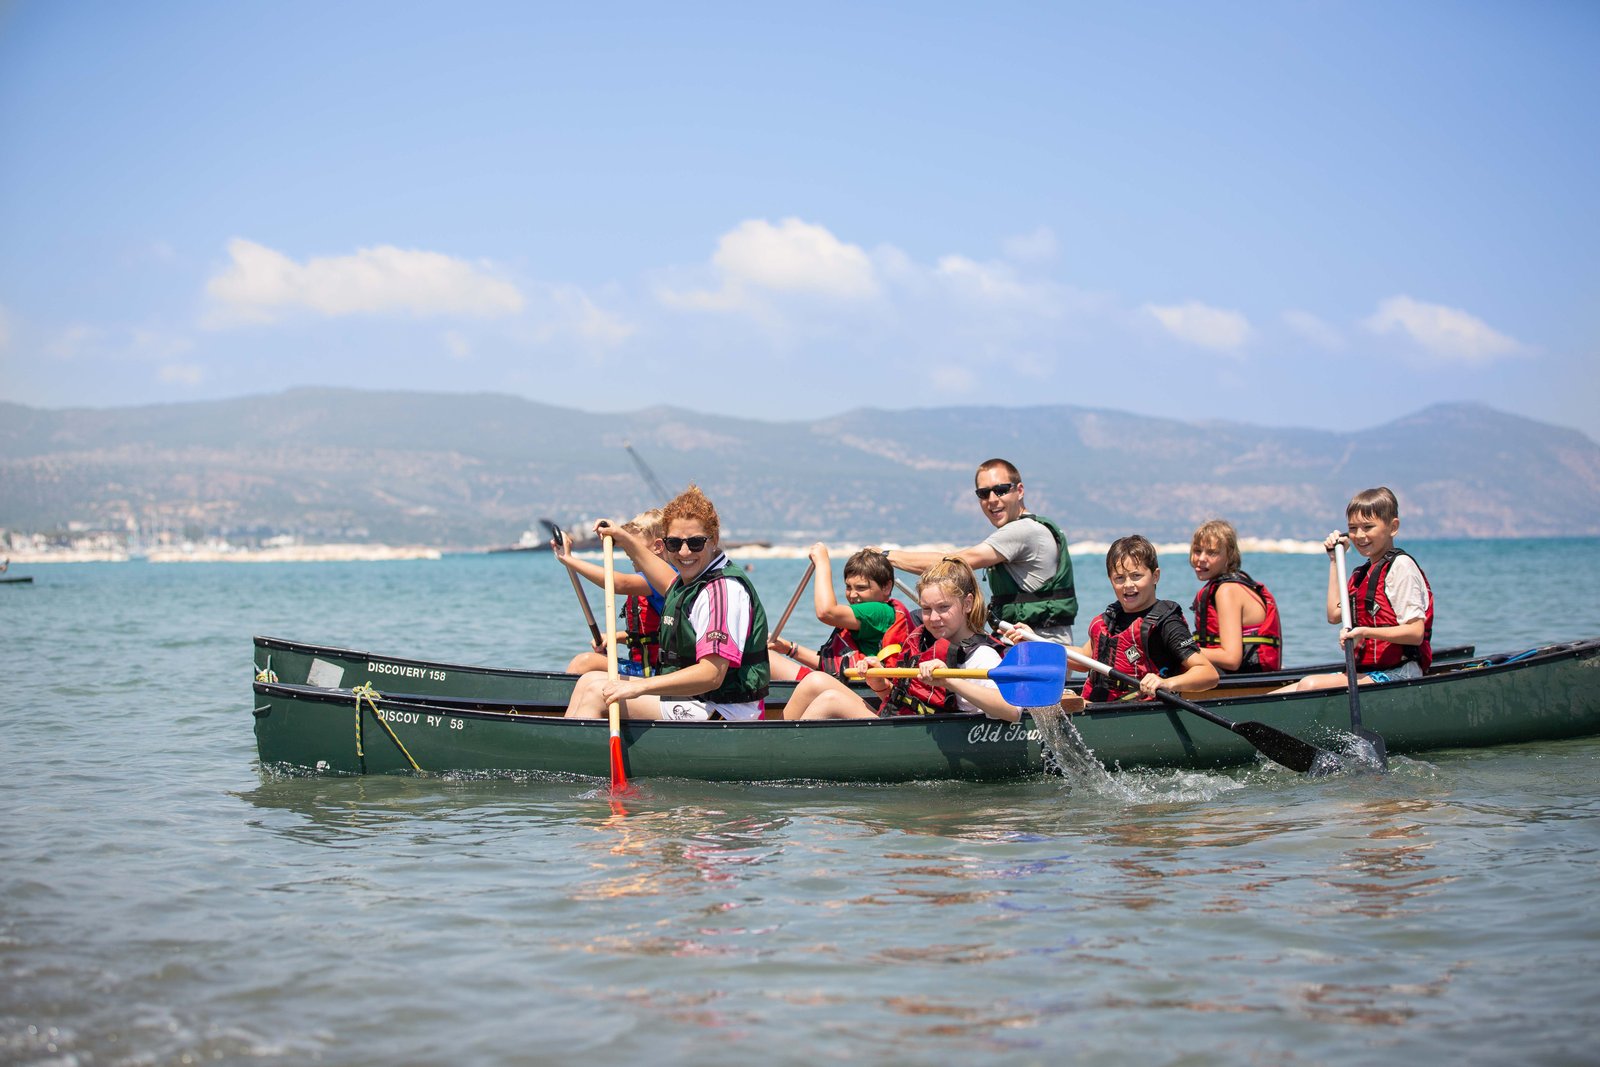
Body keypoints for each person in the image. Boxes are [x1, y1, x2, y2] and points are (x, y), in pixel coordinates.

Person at [563, 486, 770, 721]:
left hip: (724, 711)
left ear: (714, 540)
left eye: (695, 543)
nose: (684, 552)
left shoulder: (721, 591)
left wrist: (639, 687)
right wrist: (621, 535)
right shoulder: (691, 581)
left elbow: (712, 674)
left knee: (595, 694)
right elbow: (660, 573)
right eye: (674, 544)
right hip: (694, 699)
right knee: (589, 680)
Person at [782, 557, 1024, 722]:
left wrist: (949, 680)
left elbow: (1012, 711)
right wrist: (879, 683)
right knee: (815, 681)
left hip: (923, 735)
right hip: (901, 721)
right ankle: (774, 750)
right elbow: (904, 700)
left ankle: (784, 761)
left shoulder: (981, 655)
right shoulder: (924, 641)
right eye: (926, 609)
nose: (934, 618)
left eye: (943, 607)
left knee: (831, 700)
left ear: (967, 603)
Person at [882, 458, 1077, 642]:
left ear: (1019, 491)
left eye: (1001, 490)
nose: (992, 499)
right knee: (922, 619)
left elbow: (952, 563)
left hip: (1037, 647)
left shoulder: (1023, 531)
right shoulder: (1029, 528)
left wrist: (885, 556)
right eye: (983, 493)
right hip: (1015, 641)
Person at [1012, 535, 1217, 703]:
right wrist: (1034, 643)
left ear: (1155, 576)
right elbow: (1084, 659)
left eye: (1136, 576)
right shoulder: (1110, 619)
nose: (1128, 585)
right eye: (1119, 578)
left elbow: (1208, 674)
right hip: (1102, 705)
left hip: (1144, 709)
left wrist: (1166, 683)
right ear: (1111, 580)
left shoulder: (1167, 623)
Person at [1278, 487, 1433, 692]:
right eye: (1353, 528)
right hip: (1366, 672)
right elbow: (1334, 615)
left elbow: (1415, 632)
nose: (1359, 535)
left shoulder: (1401, 566)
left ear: (1393, 527)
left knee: (1309, 685)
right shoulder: (1362, 574)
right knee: (1282, 692)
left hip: (1399, 673)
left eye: (1368, 527)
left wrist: (1365, 632)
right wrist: (1335, 560)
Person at [767, 544, 914, 683]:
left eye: (861, 588)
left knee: (764, 657)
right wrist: (789, 648)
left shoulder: (881, 612)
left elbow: (826, 612)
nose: (852, 595)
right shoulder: (860, 618)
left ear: (886, 587)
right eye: (848, 587)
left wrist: (822, 561)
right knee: (764, 655)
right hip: (843, 684)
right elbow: (830, 665)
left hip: (854, 689)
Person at [553, 508, 668, 676]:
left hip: (661, 674)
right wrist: (614, 637)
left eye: (634, 546)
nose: (629, 552)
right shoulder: (648, 579)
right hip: (644, 668)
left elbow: (620, 583)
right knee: (589, 667)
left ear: (658, 546)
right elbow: (651, 634)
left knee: (583, 663)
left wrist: (568, 559)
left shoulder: (663, 578)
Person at [1188, 519, 1283, 673]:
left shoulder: (1227, 591)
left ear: (1230, 556)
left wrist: (1179, 650)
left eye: (1212, 553)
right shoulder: (1231, 586)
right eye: (1197, 551)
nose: (1201, 558)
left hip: (1247, 676)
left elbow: (1231, 659)